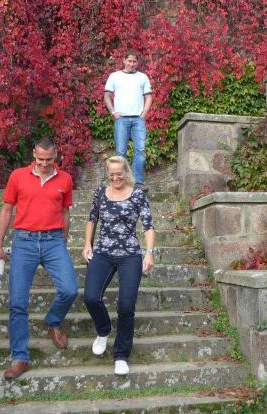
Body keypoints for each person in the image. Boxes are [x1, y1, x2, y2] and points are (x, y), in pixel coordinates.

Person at [0, 137, 78, 380]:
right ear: (33, 154)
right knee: (18, 303)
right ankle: (20, 357)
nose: (44, 164)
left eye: (48, 160)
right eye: (40, 159)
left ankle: (52, 321)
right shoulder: (18, 176)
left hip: (54, 241)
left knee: (70, 289)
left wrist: (63, 242)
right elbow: (6, 210)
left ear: (56, 155)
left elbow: (65, 212)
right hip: (24, 242)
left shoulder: (65, 179)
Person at [82, 155, 156, 376]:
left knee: (126, 305)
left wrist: (149, 253)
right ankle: (103, 330)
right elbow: (92, 219)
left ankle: (121, 355)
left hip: (130, 255)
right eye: (111, 174)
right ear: (108, 174)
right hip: (103, 252)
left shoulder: (138, 195)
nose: (115, 178)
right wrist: (87, 244)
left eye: (119, 174)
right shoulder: (100, 193)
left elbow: (148, 226)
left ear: (126, 173)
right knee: (91, 297)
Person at [104, 51, 152, 190]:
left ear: (137, 62)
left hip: (138, 119)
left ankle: (138, 181)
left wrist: (143, 114)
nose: (131, 64)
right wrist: (113, 112)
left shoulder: (142, 77)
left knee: (140, 150)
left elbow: (149, 97)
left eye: (134, 61)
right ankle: (122, 182)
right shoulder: (115, 76)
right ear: (124, 60)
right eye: (129, 61)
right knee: (120, 153)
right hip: (121, 119)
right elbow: (107, 95)